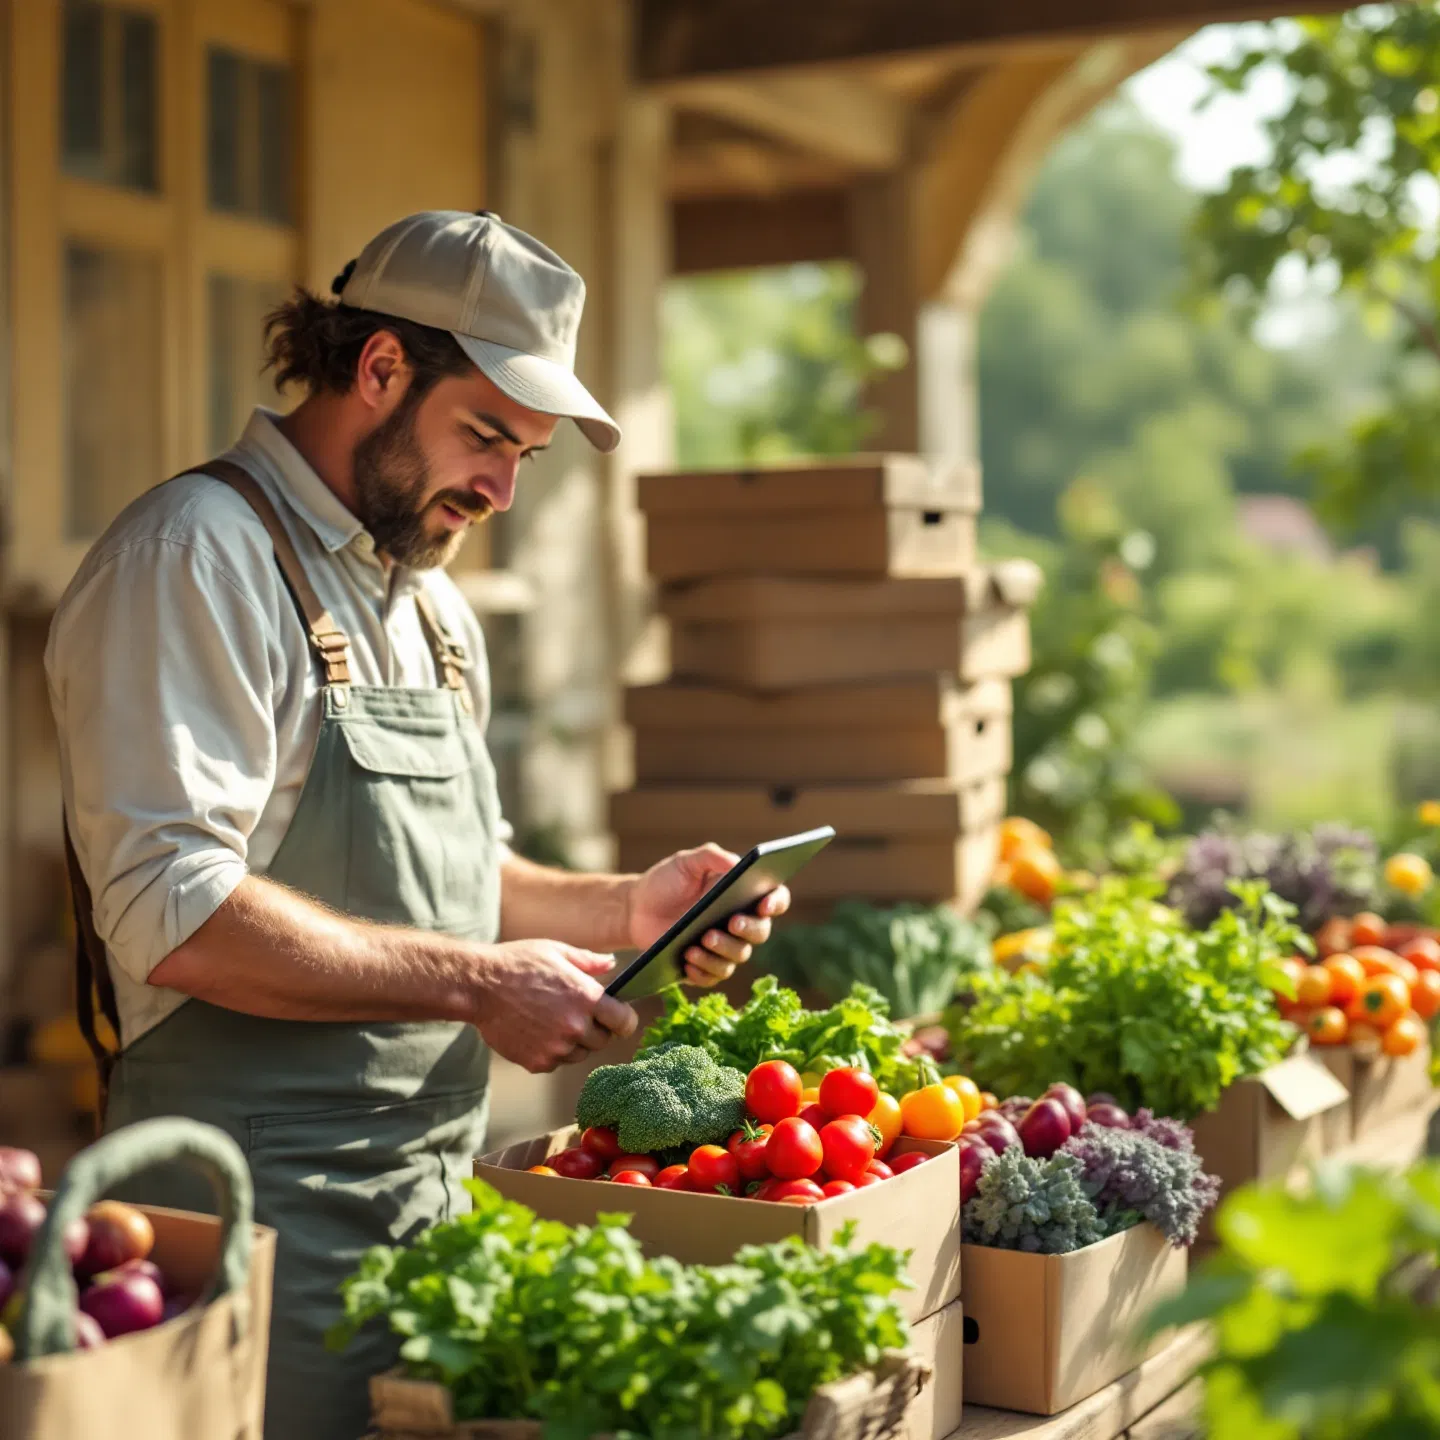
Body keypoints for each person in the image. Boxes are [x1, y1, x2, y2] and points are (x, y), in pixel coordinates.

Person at [46, 210, 789, 1440]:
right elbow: (169, 910)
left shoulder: (430, 607)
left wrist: (626, 910)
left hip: (437, 1212)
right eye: (486, 435)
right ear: (379, 368)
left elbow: (457, 877)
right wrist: (474, 987)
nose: (499, 488)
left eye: (527, 456)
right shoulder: (197, 558)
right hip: (253, 1220)